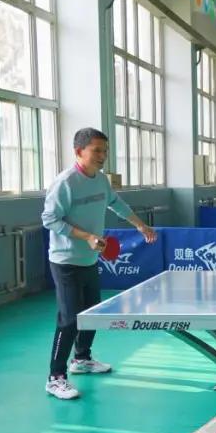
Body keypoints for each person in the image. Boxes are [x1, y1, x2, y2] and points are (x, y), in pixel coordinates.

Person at [41, 127, 157, 400]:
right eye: (97, 151)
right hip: (66, 261)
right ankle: (55, 378)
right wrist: (87, 237)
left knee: (92, 311)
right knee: (69, 318)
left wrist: (140, 225)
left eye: (105, 151)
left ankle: (81, 359)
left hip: (89, 259)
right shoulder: (65, 183)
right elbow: (49, 219)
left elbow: (116, 203)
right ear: (78, 151)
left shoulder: (101, 180)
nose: (103, 156)